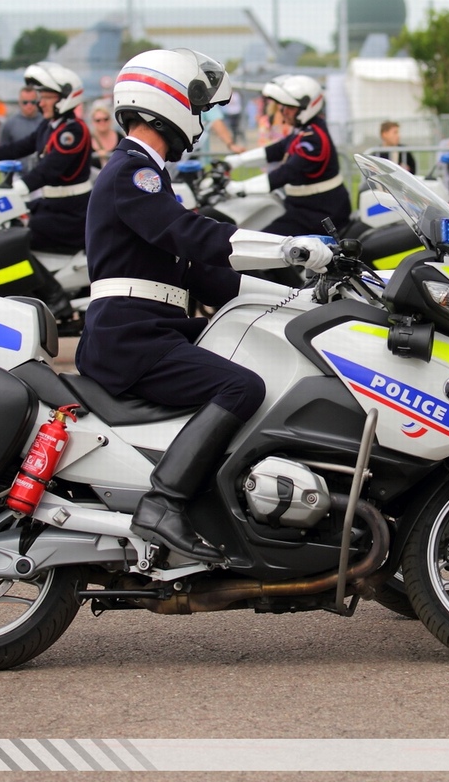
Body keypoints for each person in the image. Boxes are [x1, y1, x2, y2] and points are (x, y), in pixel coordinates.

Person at [79, 48, 333, 560]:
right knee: (241, 385)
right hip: (129, 337)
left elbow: (208, 278)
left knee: (257, 356)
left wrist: (304, 298)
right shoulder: (133, 172)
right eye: (197, 107)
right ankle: (164, 502)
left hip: (148, 331)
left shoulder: (147, 176)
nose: (200, 120)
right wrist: (287, 246)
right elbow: (192, 236)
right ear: (166, 103)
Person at [0, 62, 92, 262]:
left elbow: (47, 171)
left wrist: (6, 193)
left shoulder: (73, 131)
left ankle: (51, 293)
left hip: (71, 213)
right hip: (53, 205)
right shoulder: (49, 126)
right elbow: (15, 149)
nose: (40, 103)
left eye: (46, 97)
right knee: (4, 227)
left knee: (14, 242)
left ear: (65, 98)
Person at [221, 74, 351, 236]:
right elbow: (277, 149)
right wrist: (236, 161)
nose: (283, 112)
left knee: (261, 246)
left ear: (307, 107)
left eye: (290, 108)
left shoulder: (315, 140)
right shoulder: (305, 129)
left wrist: (239, 187)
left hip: (319, 214)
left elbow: (287, 172)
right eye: (283, 107)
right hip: (303, 207)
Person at [87, 98, 118, 163]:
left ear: (110, 119)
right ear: (93, 122)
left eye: (105, 119)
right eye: (98, 120)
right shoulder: (87, 140)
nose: (102, 123)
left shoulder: (120, 138)